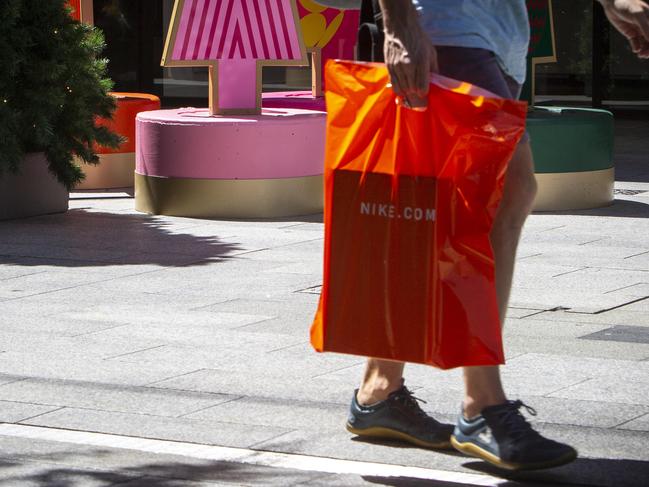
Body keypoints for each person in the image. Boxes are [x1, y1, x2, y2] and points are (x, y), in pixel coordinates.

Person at [346, 0, 649, 471]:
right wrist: (400, 22)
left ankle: (379, 389)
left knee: (449, 207)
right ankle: (480, 405)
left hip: (498, 35)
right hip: (448, 30)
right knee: (496, 198)